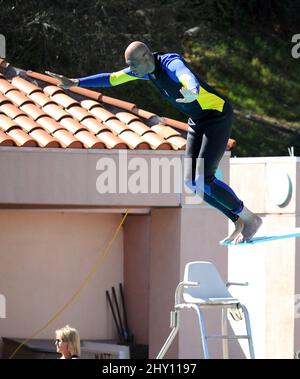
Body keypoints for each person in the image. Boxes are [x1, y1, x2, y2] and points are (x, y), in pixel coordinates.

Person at [46, 41, 262, 244]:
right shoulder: (144, 71)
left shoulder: (170, 62)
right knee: (191, 183)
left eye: (132, 64)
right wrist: (76, 82)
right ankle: (238, 219)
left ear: (146, 57)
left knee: (203, 178)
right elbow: (112, 78)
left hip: (217, 115)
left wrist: (192, 90)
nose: (130, 69)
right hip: (197, 120)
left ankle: (250, 218)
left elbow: (184, 74)